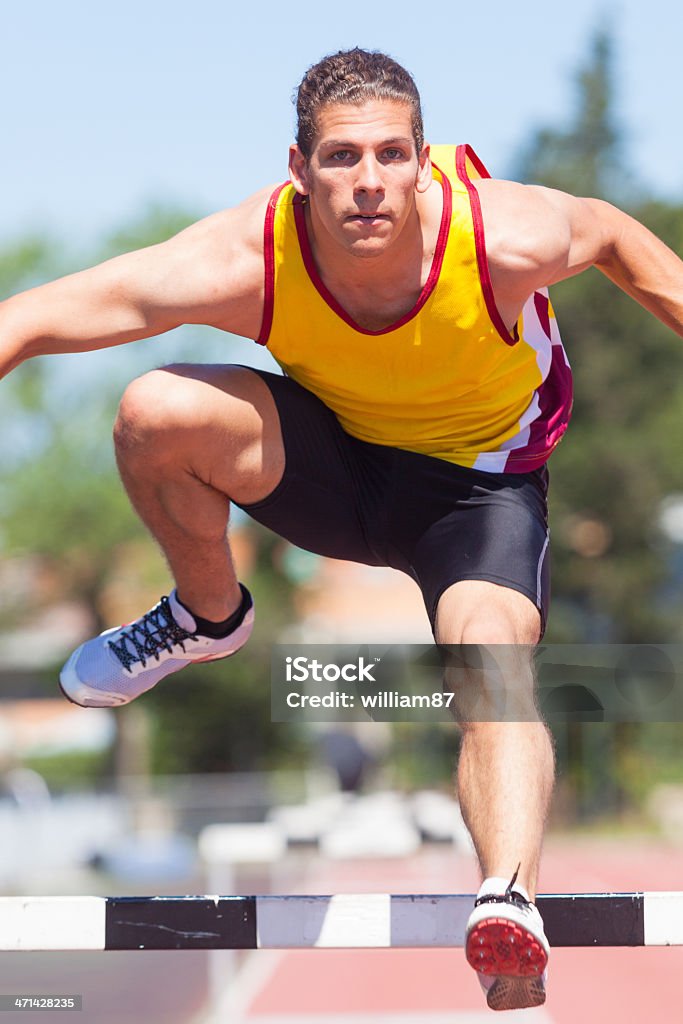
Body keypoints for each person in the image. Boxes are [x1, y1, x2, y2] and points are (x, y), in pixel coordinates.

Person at [1, 47, 682, 1011]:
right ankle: (205, 615)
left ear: (423, 157)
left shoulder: (498, 238)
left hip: (475, 492)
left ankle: (505, 905)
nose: (368, 183)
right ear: (297, 168)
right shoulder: (248, 259)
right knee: (155, 408)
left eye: (392, 155)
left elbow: (611, 234)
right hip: (333, 466)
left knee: (491, 657)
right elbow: (31, 316)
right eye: (340, 158)